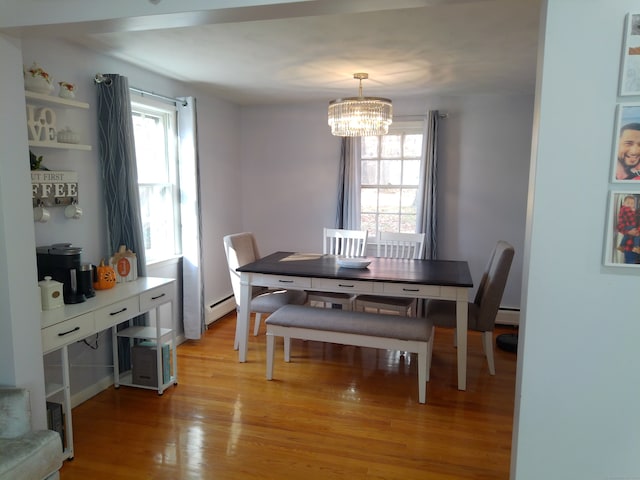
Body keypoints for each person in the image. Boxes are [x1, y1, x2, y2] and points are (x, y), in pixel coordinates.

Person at [617, 194, 640, 264]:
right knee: (630, 265)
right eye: (628, 203)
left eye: (632, 203)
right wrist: (628, 232)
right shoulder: (633, 212)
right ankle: (633, 247)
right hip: (630, 247)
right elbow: (619, 226)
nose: (630, 205)